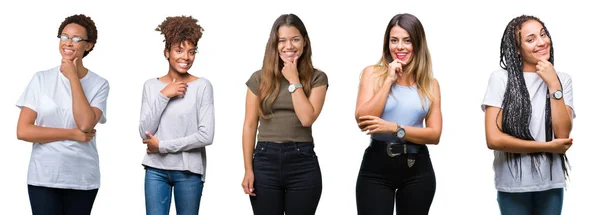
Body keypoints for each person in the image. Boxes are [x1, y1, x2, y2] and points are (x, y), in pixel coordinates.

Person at [15, 14, 109, 215]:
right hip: (44, 176)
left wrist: (73, 77)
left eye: (76, 39)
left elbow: (85, 124)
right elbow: (23, 131)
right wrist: (71, 134)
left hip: (82, 178)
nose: (68, 42)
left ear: (89, 45)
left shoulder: (100, 84)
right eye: (64, 36)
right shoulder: (41, 79)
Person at [481, 15, 575, 215]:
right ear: (517, 49)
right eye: (530, 39)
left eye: (543, 34)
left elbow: (562, 133)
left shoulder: (562, 80)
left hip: (551, 184)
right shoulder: (500, 79)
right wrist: (546, 147)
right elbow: (494, 139)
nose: (542, 42)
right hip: (513, 184)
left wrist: (553, 85)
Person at [240, 13, 328, 215]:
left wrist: (294, 79)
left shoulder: (317, 78)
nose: (289, 46)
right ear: (275, 44)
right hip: (264, 160)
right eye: (282, 40)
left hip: (302, 162)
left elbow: (307, 118)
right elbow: (249, 125)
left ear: (304, 42)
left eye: (295, 39)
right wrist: (248, 169)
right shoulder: (259, 78)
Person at [354, 13, 442, 215]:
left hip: (417, 167)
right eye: (394, 40)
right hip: (376, 166)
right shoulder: (373, 73)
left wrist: (396, 128)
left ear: (417, 44)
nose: (399, 47)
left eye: (407, 41)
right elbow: (363, 122)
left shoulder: (430, 84)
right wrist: (388, 80)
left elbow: (435, 134)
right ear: (387, 43)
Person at [138, 15, 214, 215]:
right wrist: (164, 95)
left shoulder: (202, 86)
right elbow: (145, 132)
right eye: (179, 50)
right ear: (167, 52)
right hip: (155, 171)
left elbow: (206, 136)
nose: (186, 57)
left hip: (189, 171)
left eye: (191, 52)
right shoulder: (151, 86)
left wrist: (162, 146)